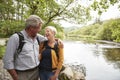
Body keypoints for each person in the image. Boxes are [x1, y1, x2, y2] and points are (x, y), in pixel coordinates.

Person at [3, 15, 46, 80]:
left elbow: (49, 39)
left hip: (36, 72)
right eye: (38, 28)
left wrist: (57, 40)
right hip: (22, 74)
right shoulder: (15, 38)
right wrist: (15, 77)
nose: (40, 30)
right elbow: (7, 60)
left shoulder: (37, 36)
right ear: (31, 28)